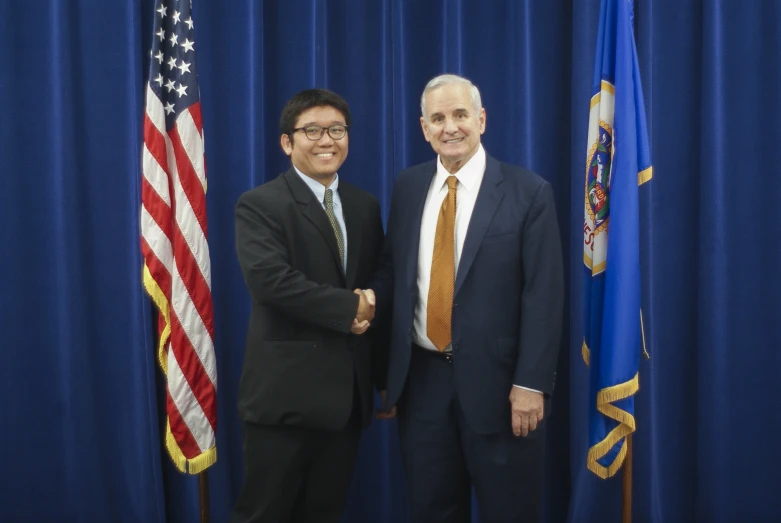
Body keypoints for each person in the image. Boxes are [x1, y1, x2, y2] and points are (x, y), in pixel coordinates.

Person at [367, 74, 564, 522]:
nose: (449, 127)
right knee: (432, 511)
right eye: (438, 118)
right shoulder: (408, 186)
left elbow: (544, 295)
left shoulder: (528, 192)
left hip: (504, 391)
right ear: (423, 128)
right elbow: (393, 272)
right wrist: (384, 365)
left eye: (459, 115)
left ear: (482, 119)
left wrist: (531, 384)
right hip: (422, 386)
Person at [231, 88, 387, 523]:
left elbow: (376, 279)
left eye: (337, 130)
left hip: (346, 401)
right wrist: (351, 309)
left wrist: (382, 371)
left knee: (324, 514)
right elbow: (271, 283)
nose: (327, 140)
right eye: (312, 130)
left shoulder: (363, 206)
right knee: (264, 513)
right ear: (287, 142)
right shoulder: (260, 204)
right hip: (284, 400)